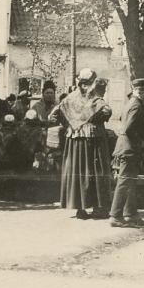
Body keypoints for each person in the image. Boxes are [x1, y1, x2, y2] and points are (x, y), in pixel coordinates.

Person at [50, 70, 113, 220]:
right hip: (94, 138)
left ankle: (80, 208)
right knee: (96, 172)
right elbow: (107, 112)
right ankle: (99, 208)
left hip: (75, 138)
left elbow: (53, 116)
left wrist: (70, 124)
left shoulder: (70, 99)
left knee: (79, 170)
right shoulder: (96, 100)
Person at [110, 77, 144, 227]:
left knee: (130, 182)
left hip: (127, 147)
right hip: (129, 148)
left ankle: (131, 214)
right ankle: (115, 216)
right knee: (124, 181)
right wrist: (141, 140)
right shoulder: (136, 106)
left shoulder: (130, 103)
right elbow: (128, 128)